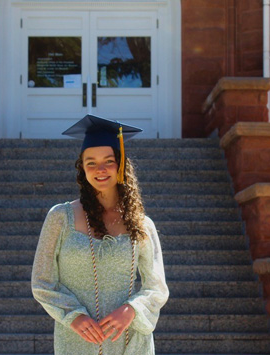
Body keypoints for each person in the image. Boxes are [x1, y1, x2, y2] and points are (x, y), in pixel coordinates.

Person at [31, 114, 169, 355]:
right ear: (82, 167)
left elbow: (156, 287)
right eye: (91, 162)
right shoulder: (60, 218)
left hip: (131, 342)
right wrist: (73, 316)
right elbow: (42, 283)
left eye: (109, 161)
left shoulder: (141, 224)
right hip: (77, 341)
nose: (100, 169)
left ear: (121, 164)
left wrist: (132, 309)